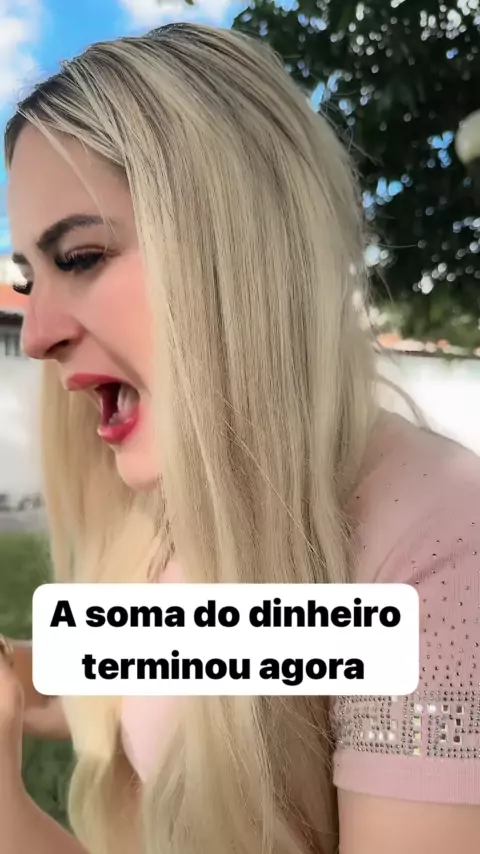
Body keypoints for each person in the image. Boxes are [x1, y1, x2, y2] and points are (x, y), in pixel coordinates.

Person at [0, 21, 479, 854]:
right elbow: (211, 649)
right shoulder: (214, 514)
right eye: (27, 278)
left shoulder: (443, 558)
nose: (36, 336)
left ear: (240, 245)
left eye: (79, 257)